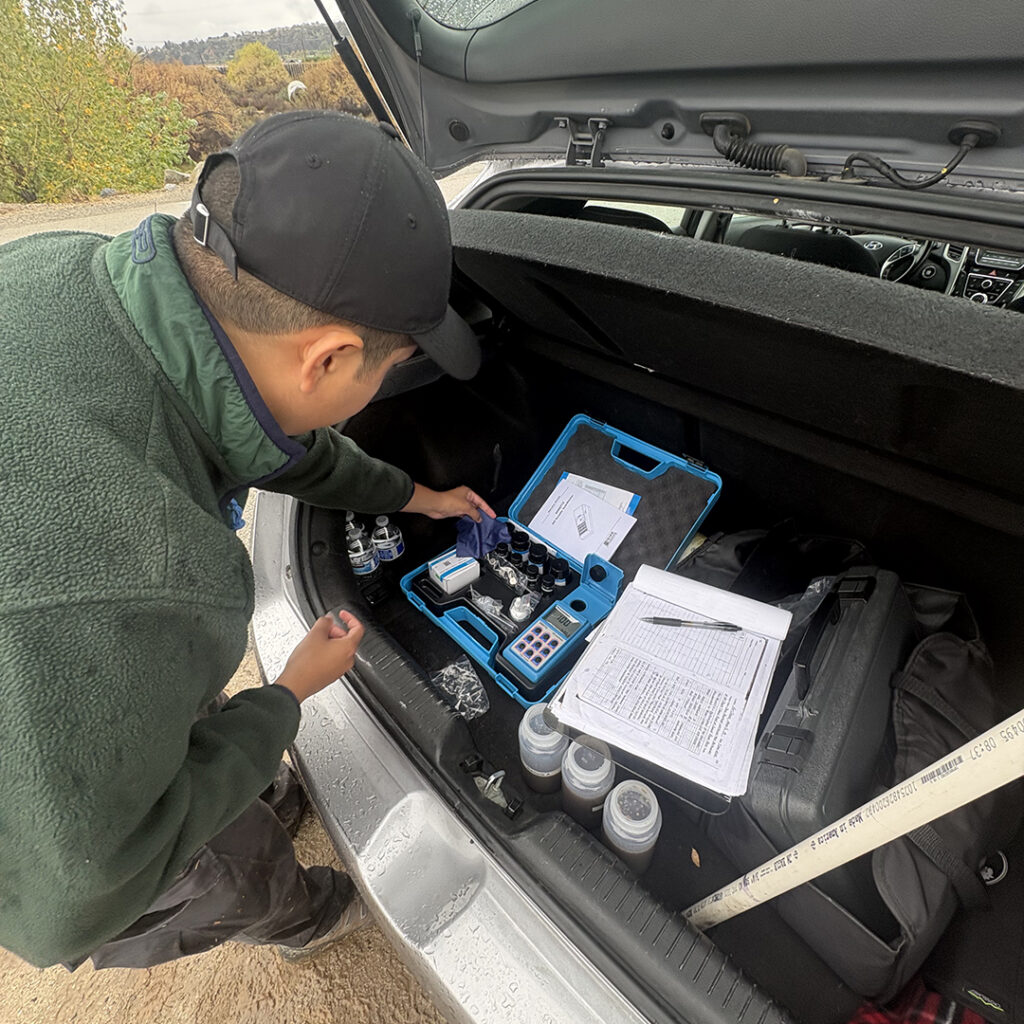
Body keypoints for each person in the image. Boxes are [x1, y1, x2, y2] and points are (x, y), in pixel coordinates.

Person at [0, 110, 495, 970]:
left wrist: (417, 496)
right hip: (51, 831)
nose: (378, 389)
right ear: (330, 358)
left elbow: (261, 431)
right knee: (220, 864)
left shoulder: (66, 270)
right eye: (385, 368)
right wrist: (284, 699)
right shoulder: (152, 577)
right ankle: (301, 920)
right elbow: (74, 898)